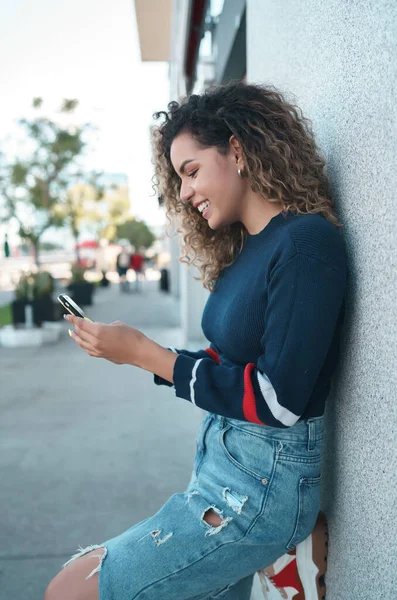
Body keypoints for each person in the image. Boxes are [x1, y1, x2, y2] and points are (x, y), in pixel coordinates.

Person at [45, 81, 347, 600]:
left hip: (260, 490)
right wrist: (135, 354)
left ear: (238, 150)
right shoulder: (248, 249)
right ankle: (283, 566)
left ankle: (283, 545)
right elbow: (229, 360)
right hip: (219, 467)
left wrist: (147, 353)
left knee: (70, 589)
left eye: (191, 172)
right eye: (180, 179)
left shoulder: (305, 245)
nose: (184, 193)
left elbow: (280, 401)